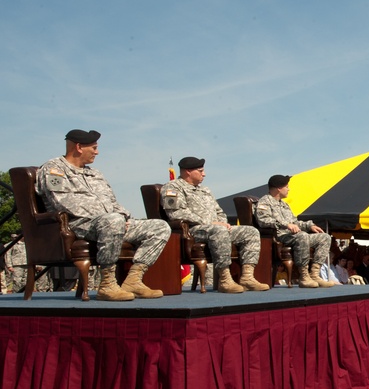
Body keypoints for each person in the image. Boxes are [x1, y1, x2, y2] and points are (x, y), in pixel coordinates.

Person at [36, 129, 170, 301]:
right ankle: (107, 284)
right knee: (112, 220)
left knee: (159, 227)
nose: (97, 152)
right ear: (79, 147)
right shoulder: (54, 169)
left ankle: (134, 280)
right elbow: (63, 202)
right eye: (94, 148)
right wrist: (113, 218)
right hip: (78, 224)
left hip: (111, 222)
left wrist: (124, 218)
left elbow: (113, 202)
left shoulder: (95, 174)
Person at [162, 157, 270, 294]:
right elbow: (176, 213)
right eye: (200, 171)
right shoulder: (172, 187)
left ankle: (247, 277)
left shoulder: (205, 190)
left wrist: (224, 222)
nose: (204, 174)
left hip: (215, 228)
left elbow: (219, 211)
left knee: (251, 232)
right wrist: (210, 223)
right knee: (218, 230)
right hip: (194, 230)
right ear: (188, 171)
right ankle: (225, 279)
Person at [253, 174, 334, 289]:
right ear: (279, 188)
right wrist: (285, 224)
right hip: (280, 236)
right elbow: (263, 220)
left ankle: (315, 275)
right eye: (287, 186)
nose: (289, 189)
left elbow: (295, 222)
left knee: (325, 237)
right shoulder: (264, 202)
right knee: (302, 236)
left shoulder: (284, 205)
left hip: (294, 236)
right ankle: (304, 277)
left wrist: (309, 225)